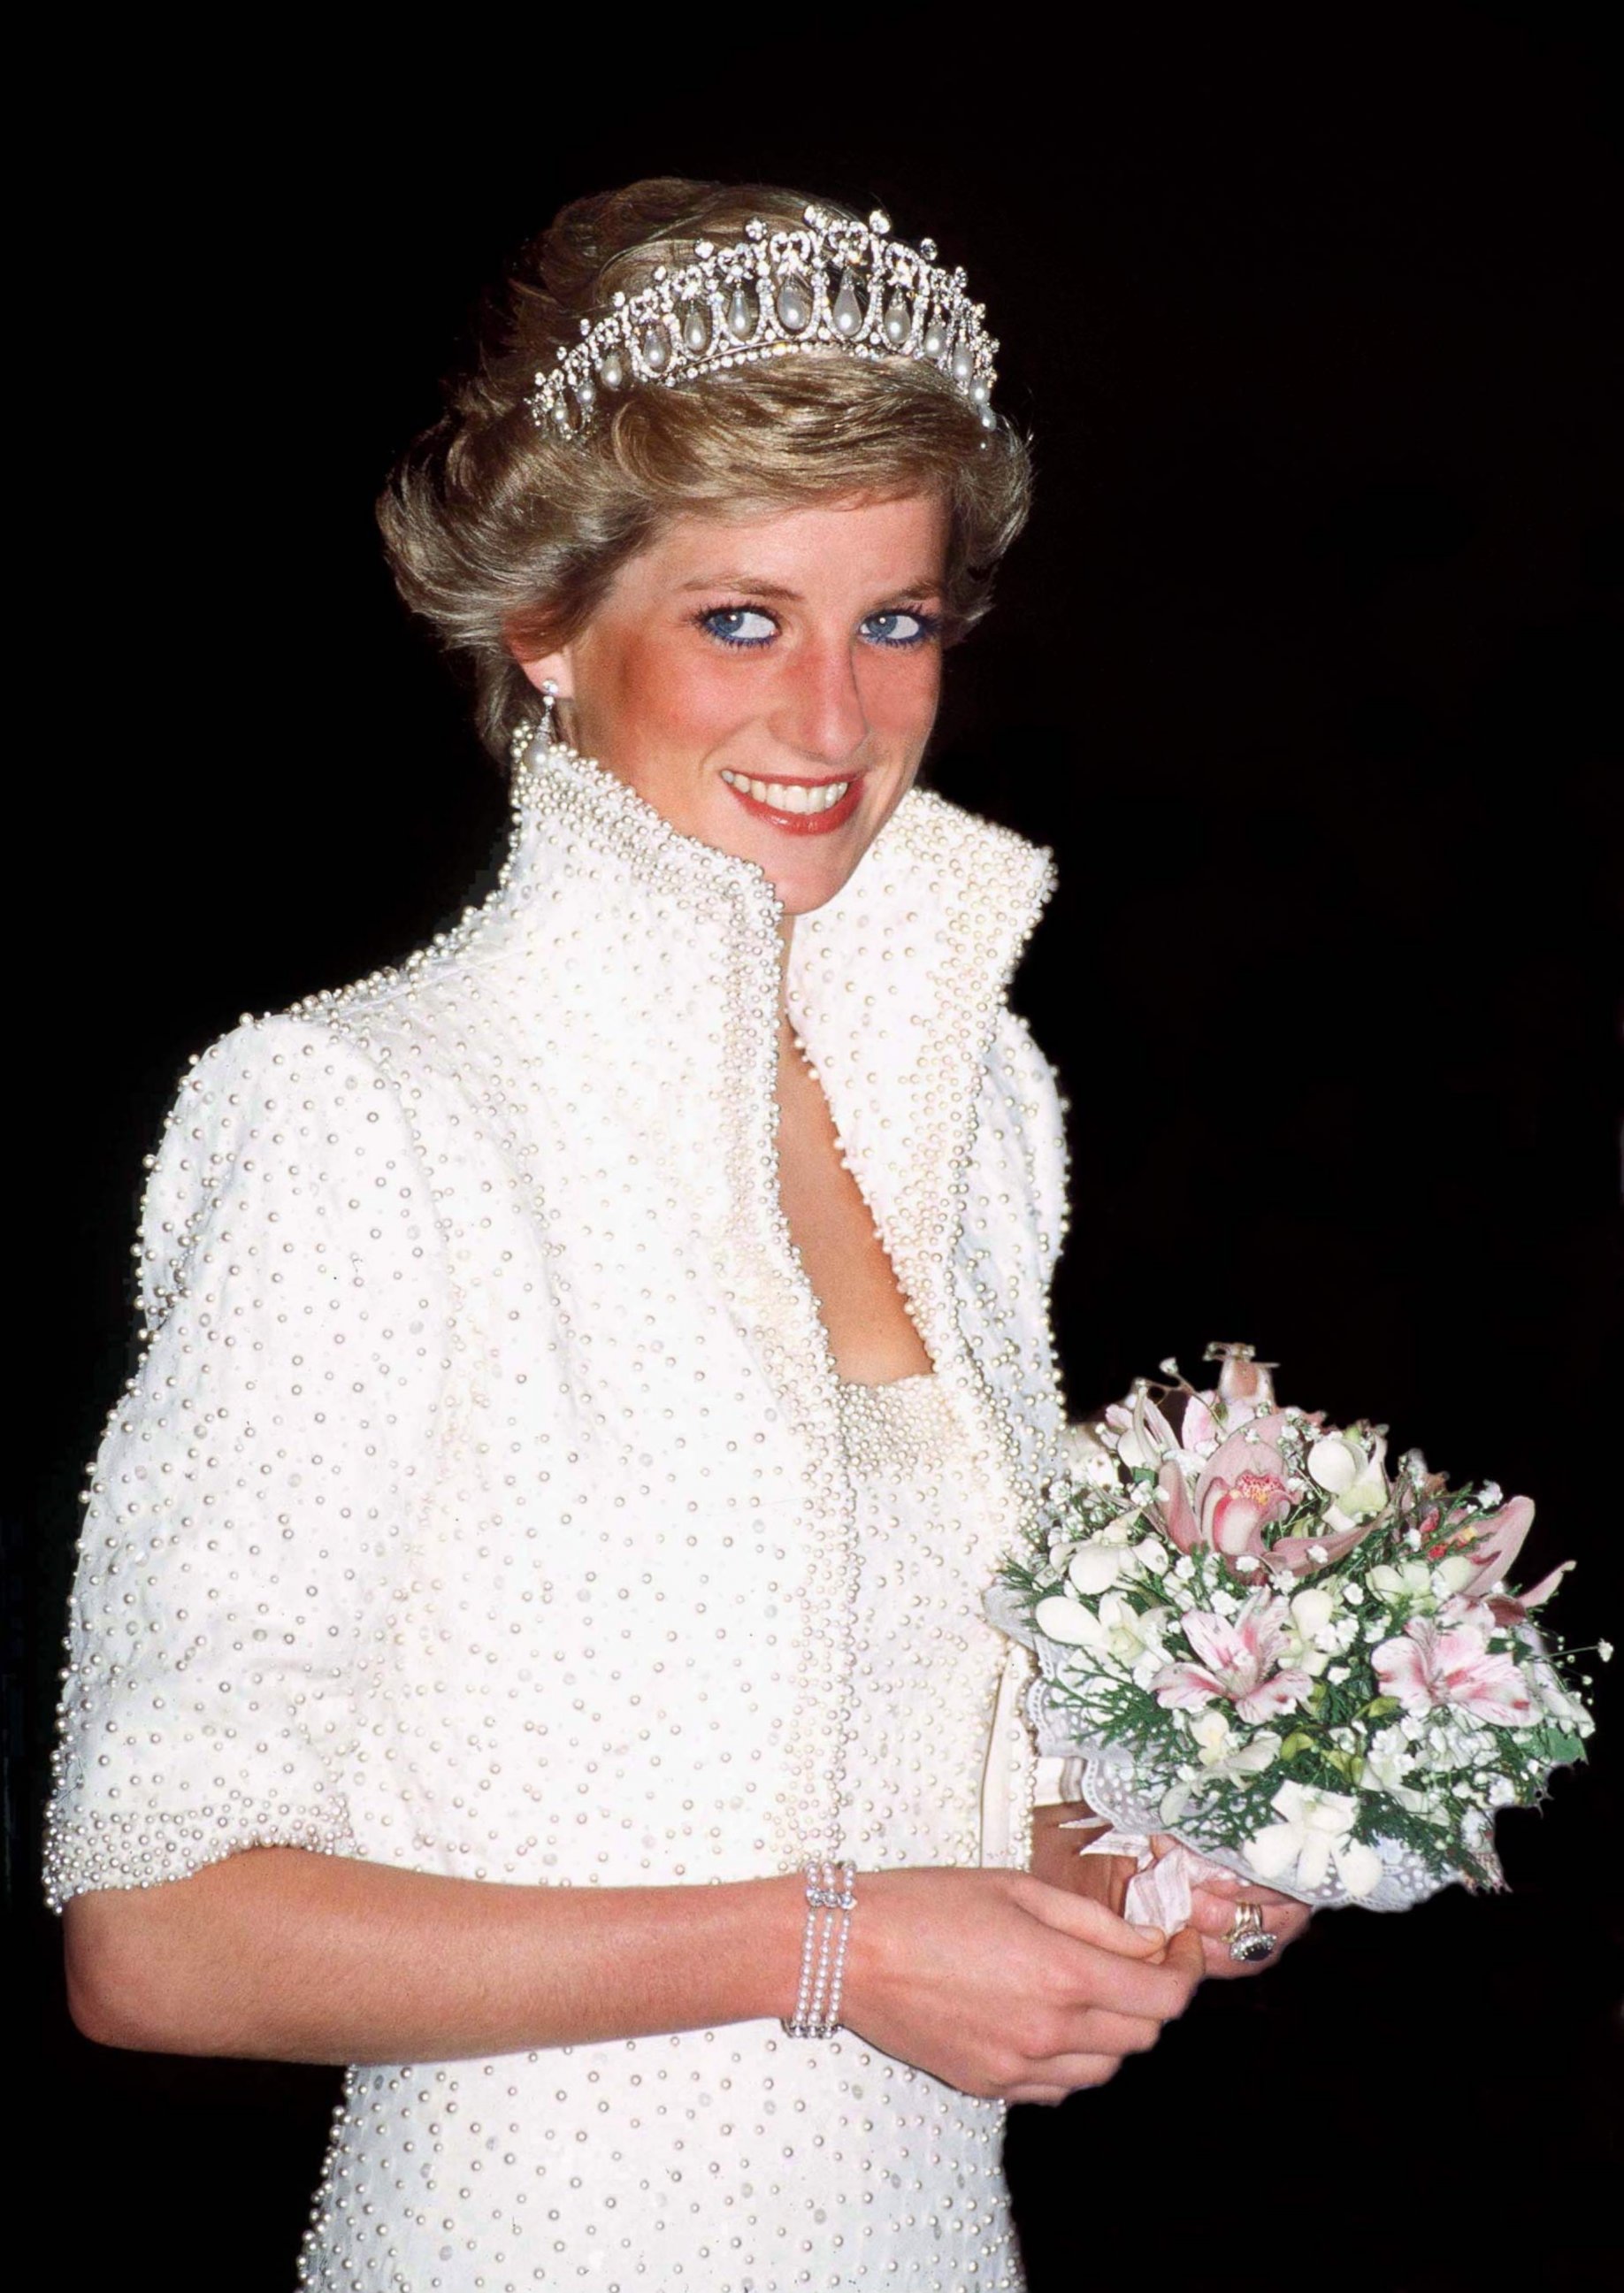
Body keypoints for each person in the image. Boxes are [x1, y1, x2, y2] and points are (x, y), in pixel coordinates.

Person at [45, 178, 1307, 2289]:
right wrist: (828, 1953)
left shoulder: (978, 1108)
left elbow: (941, 1787)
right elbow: (160, 1938)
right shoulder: (366, 1112)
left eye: (890, 621)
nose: (832, 722)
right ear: (547, 631)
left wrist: (1162, 1859)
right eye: (743, 618)